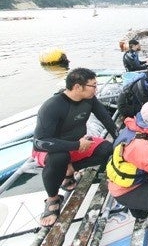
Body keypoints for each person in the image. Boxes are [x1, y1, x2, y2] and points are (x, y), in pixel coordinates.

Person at [32, 68, 118, 227]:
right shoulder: (52, 106)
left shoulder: (90, 99)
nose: (96, 89)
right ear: (78, 87)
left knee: (107, 148)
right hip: (51, 149)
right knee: (60, 157)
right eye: (93, 85)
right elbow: (39, 142)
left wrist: (119, 139)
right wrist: (76, 145)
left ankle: (69, 170)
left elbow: (106, 119)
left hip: (78, 144)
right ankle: (52, 199)